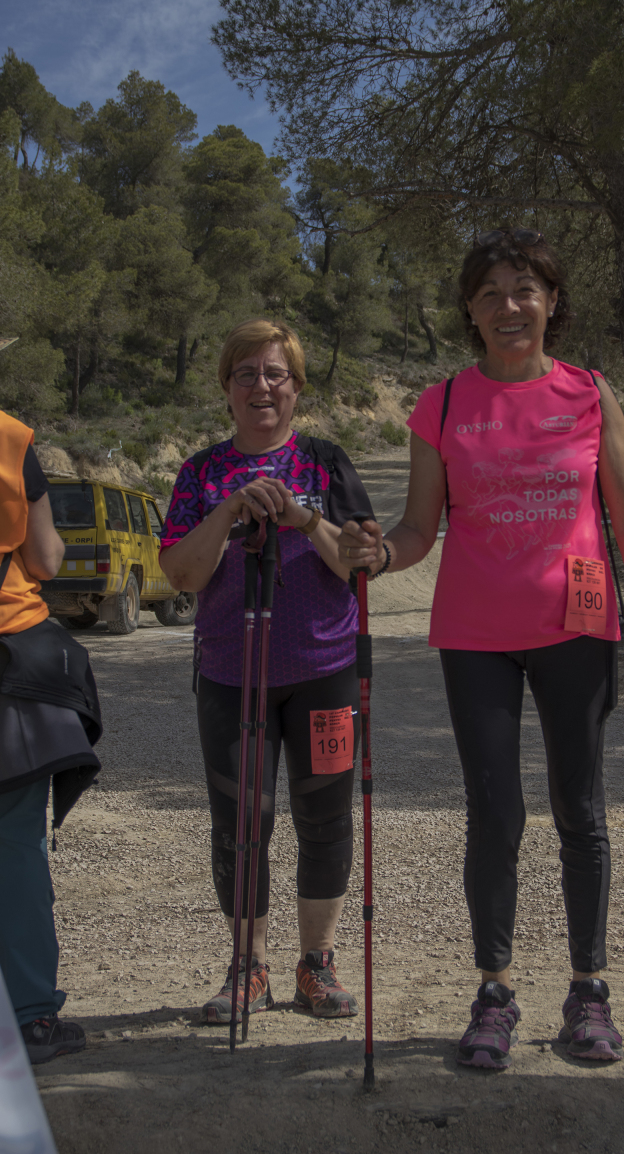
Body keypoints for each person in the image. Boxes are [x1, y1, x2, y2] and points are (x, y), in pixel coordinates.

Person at [338, 228, 624, 1068]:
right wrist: (380, 553)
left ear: (552, 301)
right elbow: (419, 528)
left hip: (578, 627)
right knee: (494, 813)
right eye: (489, 292)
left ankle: (589, 991)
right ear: (470, 311)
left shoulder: (590, 394)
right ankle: (495, 992)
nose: (508, 305)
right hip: (475, 636)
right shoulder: (443, 404)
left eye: (524, 288)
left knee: (579, 809)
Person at [160, 318, 375, 1025]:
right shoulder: (200, 473)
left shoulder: (326, 462)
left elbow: (362, 562)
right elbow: (182, 574)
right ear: (227, 388)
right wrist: (230, 509)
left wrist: (303, 520)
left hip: (324, 668)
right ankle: (246, 967)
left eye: (275, 373)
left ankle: (317, 964)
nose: (262, 386)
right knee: (240, 824)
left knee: (325, 818)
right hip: (232, 673)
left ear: (296, 387)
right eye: (246, 373)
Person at [0, 409, 102, 1064]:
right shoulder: (9, 439)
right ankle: (30, 1016)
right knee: (15, 847)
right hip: (10, 663)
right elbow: (44, 556)